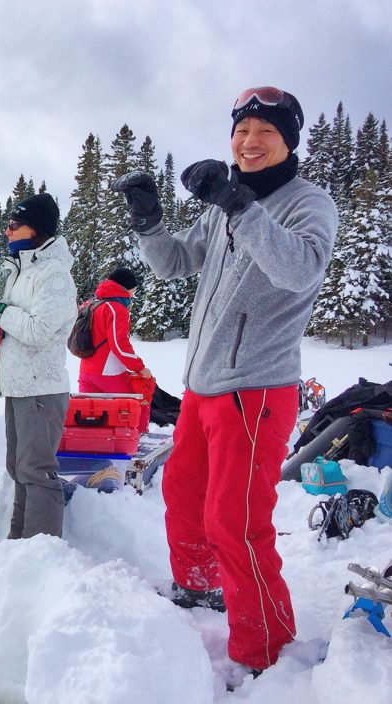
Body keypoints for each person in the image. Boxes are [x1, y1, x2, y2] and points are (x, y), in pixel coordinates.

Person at [112, 87, 338, 673]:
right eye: (241, 132)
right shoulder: (222, 207)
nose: (249, 142)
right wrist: (149, 220)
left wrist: (242, 207)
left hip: (256, 390)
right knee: (184, 499)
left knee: (235, 522)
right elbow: (172, 264)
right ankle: (200, 588)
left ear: (288, 141)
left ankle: (265, 650)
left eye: (264, 132)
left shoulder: (308, 203)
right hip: (202, 389)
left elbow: (298, 269)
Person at [0, 193, 77, 539]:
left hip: (41, 389)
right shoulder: (22, 270)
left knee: (36, 472)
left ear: (37, 230)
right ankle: (18, 547)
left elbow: (38, 330)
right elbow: (16, 322)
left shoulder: (54, 274)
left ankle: (40, 552)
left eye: (15, 225)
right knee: (19, 469)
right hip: (19, 386)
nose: (7, 231)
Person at [77, 267, 153, 433]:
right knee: (139, 401)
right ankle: (138, 440)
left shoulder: (90, 304)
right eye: (133, 289)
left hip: (86, 371)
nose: (134, 293)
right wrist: (139, 367)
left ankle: (95, 445)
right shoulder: (116, 308)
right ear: (126, 287)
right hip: (108, 372)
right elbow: (120, 345)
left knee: (92, 415)